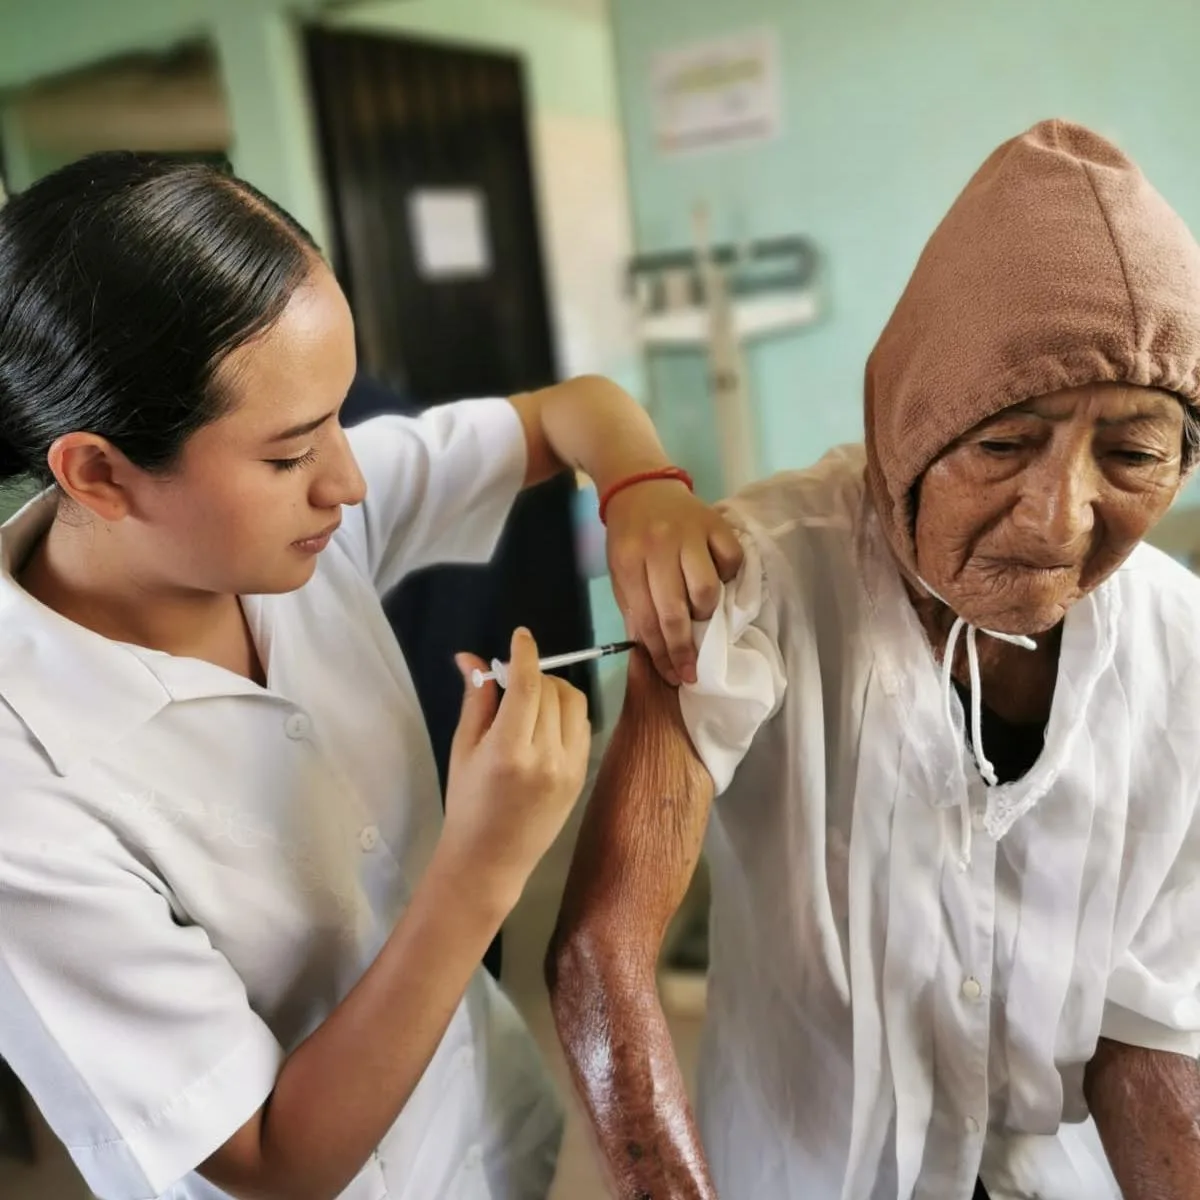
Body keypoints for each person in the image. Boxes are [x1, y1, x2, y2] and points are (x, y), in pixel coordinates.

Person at [0, 152, 744, 1200]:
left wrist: (641, 487)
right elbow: (273, 1162)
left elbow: (570, 410)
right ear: (100, 473)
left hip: (489, 1144)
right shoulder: (23, 791)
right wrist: (483, 864)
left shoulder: (289, 523)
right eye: (290, 452)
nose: (347, 481)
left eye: (341, 419)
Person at [547, 118, 1200, 1200]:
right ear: (911, 420)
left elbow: (1151, 1025)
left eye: (1131, 453)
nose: (1058, 515)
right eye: (1001, 444)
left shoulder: (1180, 644)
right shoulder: (752, 580)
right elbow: (598, 953)